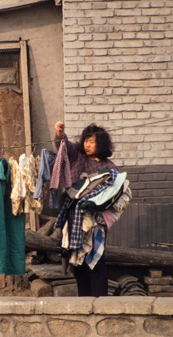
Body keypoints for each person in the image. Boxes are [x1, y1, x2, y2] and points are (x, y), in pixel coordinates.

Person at [54, 121, 117, 297]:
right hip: (74, 219)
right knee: (77, 261)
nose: (87, 145)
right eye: (86, 140)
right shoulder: (77, 156)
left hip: (95, 222)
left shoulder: (110, 167)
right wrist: (60, 134)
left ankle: (99, 301)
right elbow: (63, 147)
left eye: (92, 141)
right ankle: (84, 301)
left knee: (95, 261)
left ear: (101, 143)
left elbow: (115, 194)